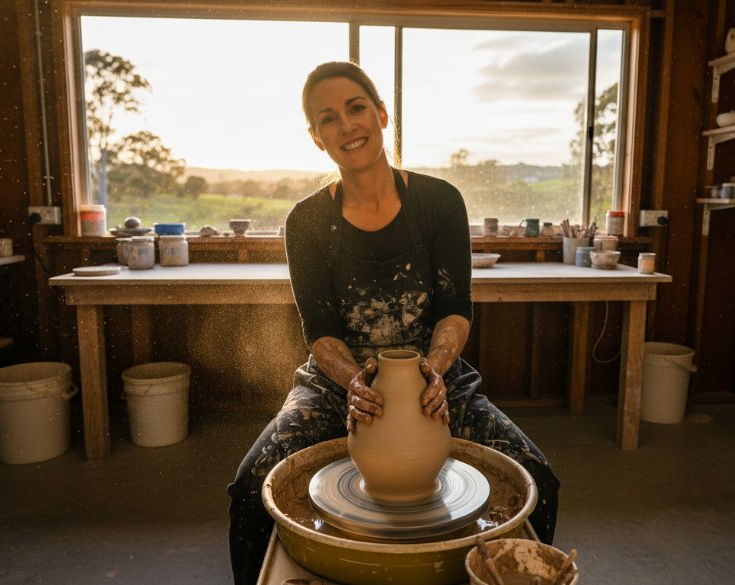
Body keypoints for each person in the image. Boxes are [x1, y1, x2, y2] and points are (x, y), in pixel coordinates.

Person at [227, 61, 559, 583]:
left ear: (382, 115)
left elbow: (456, 308)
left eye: (356, 108)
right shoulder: (308, 220)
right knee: (251, 486)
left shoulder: (438, 202)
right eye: (329, 118)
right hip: (340, 382)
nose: (347, 126)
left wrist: (438, 368)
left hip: (433, 380)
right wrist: (353, 380)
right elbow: (320, 330)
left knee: (537, 476)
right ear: (317, 139)